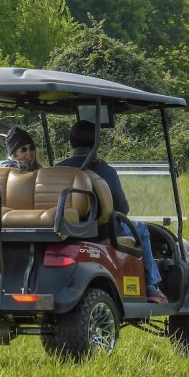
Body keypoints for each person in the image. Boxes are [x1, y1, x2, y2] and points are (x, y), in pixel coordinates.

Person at [57, 120, 167, 302]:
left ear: (71, 142)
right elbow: (123, 208)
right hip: (102, 230)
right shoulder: (104, 170)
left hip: (68, 229)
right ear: (96, 142)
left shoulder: (58, 169)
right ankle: (151, 285)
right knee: (141, 229)